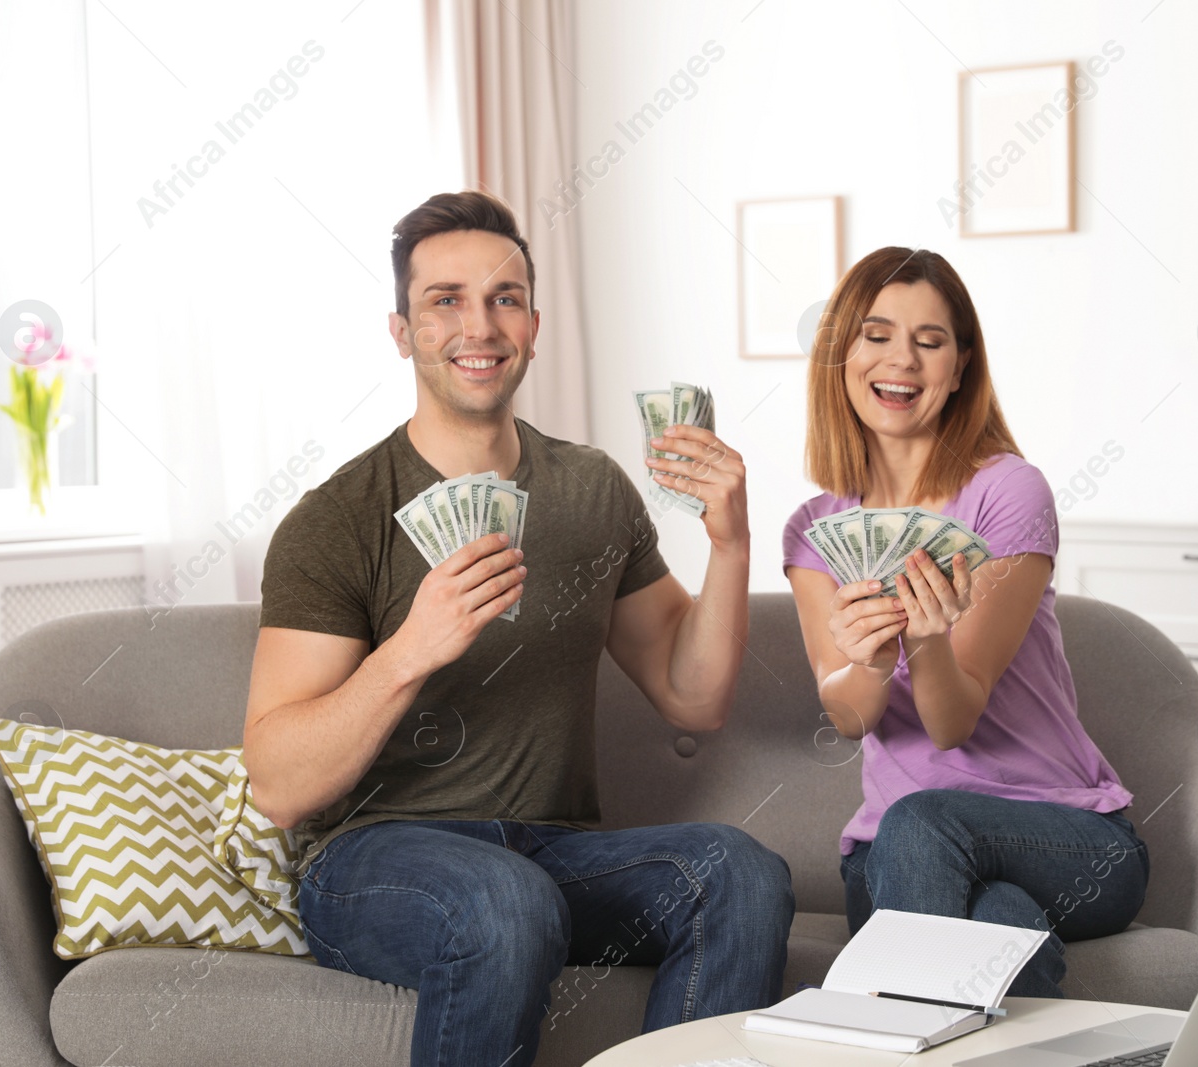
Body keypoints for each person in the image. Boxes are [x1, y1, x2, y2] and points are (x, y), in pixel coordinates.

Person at [244, 190, 794, 1066]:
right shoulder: (338, 516)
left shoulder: (591, 489)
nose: (480, 325)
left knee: (741, 873)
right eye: (445, 300)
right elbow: (276, 782)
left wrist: (730, 543)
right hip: (374, 863)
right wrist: (412, 649)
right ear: (401, 331)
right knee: (505, 899)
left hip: (553, 851)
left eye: (504, 299)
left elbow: (692, 697)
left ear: (534, 324)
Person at [781, 246, 1147, 998]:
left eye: (931, 340)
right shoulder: (816, 530)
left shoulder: (1010, 492)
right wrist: (874, 659)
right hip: (889, 856)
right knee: (1003, 921)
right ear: (841, 354)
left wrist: (926, 634)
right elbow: (850, 713)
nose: (902, 360)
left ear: (960, 365)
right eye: (877, 335)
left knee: (923, 822)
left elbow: (952, 721)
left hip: (1068, 838)